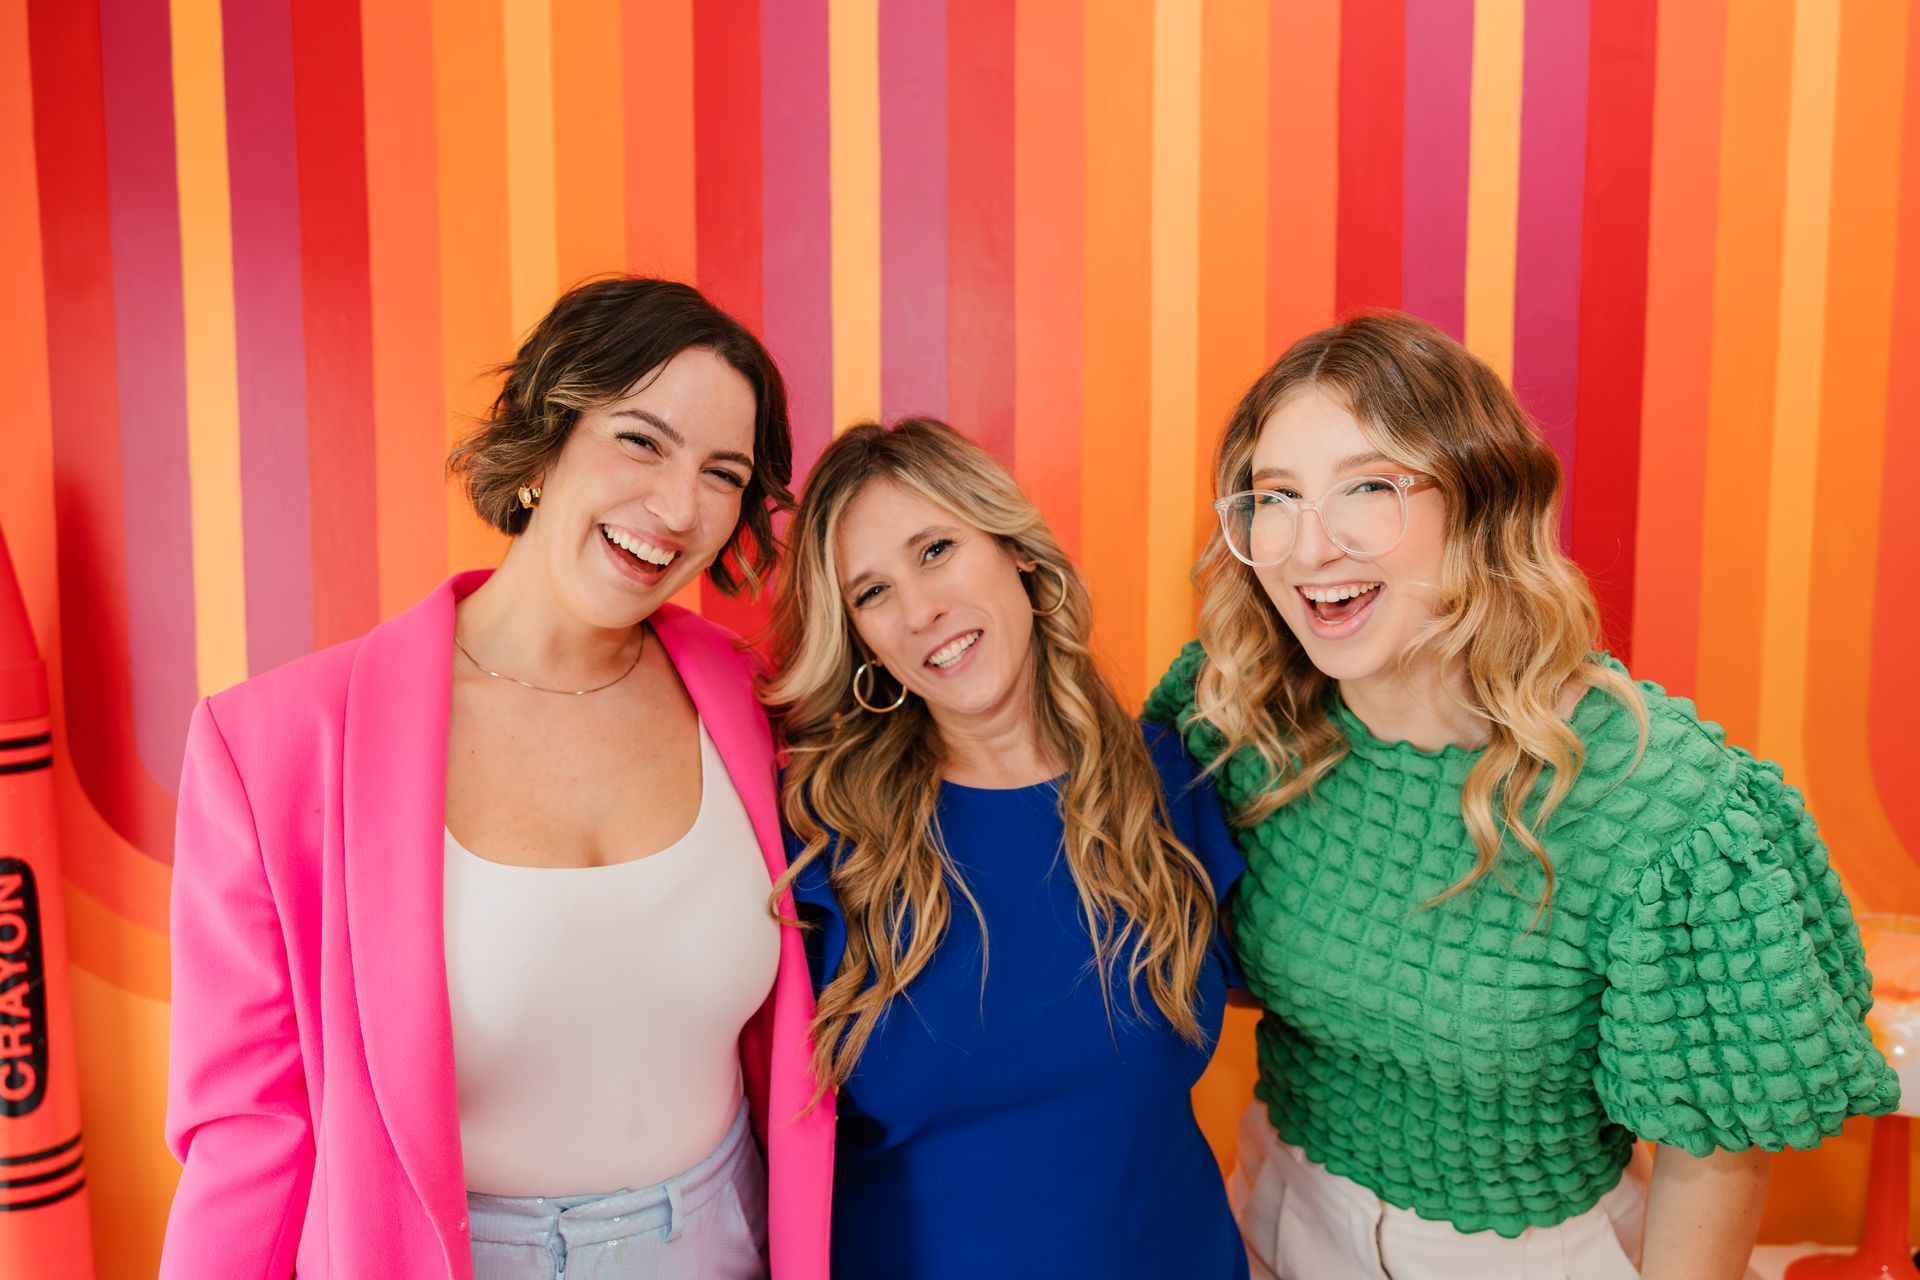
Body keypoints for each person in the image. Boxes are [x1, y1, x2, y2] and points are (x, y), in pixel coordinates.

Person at [1148, 311, 1901, 1280]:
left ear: (1478, 503)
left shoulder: (1655, 803)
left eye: (1368, 487)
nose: (1306, 546)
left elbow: (1712, 1151)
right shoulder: (1237, 717)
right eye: (1275, 496)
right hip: (1279, 1214)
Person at [161, 277, 833, 1280]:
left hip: (730, 1238)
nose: (678, 506)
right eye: (640, 440)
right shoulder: (273, 747)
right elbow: (249, 1132)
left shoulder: (761, 703)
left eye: (722, 472)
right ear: (543, 437)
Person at [762, 419, 1249, 1279]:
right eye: (871, 594)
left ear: (1017, 551)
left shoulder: (1172, 781)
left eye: (936, 549)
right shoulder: (824, 839)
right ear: (860, 639)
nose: (920, 611)